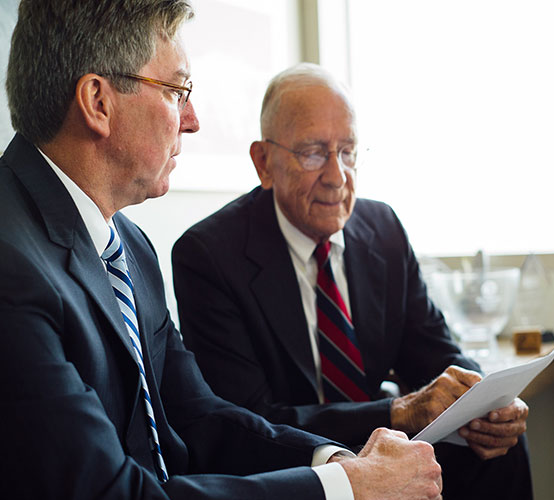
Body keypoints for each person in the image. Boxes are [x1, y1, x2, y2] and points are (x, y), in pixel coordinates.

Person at [0, 2, 447, 500]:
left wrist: (334, 458)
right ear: (98, 102)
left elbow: (197, 415)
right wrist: (347, 489)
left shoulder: (128, 244)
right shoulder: (10, 263)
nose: (191, 121)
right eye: (175, 91)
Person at [172, 63, 532, 500]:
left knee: (496, 447)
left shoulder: (382, 227)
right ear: (263, 163)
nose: (337, 177)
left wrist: (488, 403)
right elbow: (249, 419)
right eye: (313, 153)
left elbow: (437, 352)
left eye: (348, 151)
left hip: (386, 440)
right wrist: (397, 413)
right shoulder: (209, 254)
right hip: (294, 464)